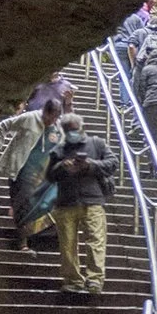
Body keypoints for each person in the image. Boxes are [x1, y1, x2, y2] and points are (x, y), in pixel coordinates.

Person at [46, 113, 115, 295]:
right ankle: (72, 280)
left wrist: (89, 165)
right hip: (66, 202)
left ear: (81, 128)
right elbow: (49, 175)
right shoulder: (59, 150)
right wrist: (62, 167)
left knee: (96, 241)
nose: (72, 133)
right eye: (68, 130)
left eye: (74, 129)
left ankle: (94, 280)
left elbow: (112, 163)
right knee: (67, 244)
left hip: (93, 200)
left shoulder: (97, 144)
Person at [0, 97, 64, 250]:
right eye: (51, 116)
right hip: (22, 171)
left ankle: (39, 237)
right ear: (44, 112)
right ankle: (22, 242)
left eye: (56, 117)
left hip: (42, 174)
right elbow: (4, 125)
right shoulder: (30, 118)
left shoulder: (58, 127)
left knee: (51, 201)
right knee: (24, 204)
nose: (52, 120)